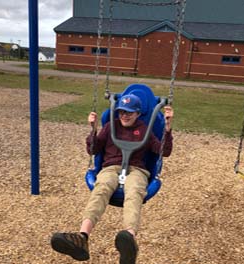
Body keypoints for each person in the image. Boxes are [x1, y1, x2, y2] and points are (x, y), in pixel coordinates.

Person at [51, 94, 174, 264]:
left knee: (134, 192)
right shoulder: (111, 127)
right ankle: (82, 237)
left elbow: (163, 151)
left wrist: (167, 129)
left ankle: (128, 240)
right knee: (101, 188)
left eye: (129, 112)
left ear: (138, 113)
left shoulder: (145, 130)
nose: (125, 115)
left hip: (136, 170)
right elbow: (93, 150)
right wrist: (93, 130)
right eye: (122, 111)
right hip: (111, 167)